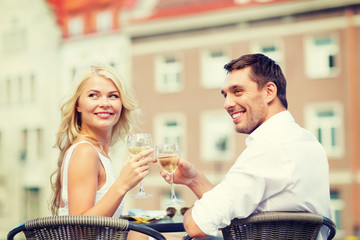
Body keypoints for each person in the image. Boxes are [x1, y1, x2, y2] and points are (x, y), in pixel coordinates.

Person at [160, 53, 332, 240]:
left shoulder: (269, 147)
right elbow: (235, 204)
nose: (227, 104)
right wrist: (194, 179)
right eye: (225, 95)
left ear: (269, 92)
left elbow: (197, 226)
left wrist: (193, 212)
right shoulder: (306, 141)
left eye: (238, 91)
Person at [50, 64, 154, 239]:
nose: (104, 103)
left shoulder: (97, 151)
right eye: (93, 95)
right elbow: (80, 232)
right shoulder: (85, 152)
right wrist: (123, 184)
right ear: (78, 105)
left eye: (113, 96)